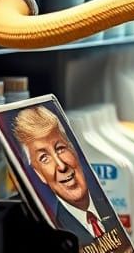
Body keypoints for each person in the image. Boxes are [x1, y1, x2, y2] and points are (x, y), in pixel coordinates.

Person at [11, 105, 117, 248]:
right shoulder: (57, 235)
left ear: (73, 149)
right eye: (44, 158)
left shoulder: (109, 208)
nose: (61, 166)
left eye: (60, 148)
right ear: (39, 174)